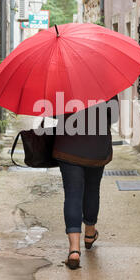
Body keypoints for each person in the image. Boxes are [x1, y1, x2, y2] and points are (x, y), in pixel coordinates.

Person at [52, 95, 119, 269]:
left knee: (72, 194)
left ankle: (74, 250)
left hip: (68, 147)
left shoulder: (62, 80)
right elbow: (114, 116)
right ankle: (89, 234)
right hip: (97, 147)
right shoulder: (106, 83)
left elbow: (53, 114)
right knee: (92, 189)